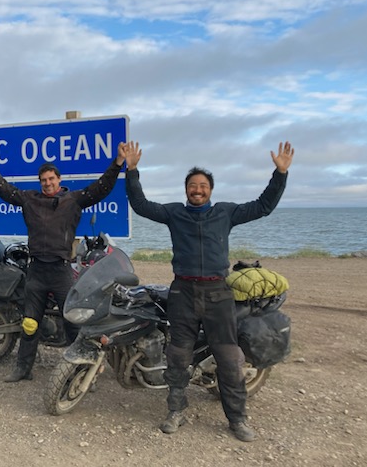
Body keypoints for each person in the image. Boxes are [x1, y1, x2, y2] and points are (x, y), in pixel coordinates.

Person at [121, 140, 295, 442]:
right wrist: (132, 171)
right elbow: (141, 205)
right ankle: (176, 411)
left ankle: (237, 419)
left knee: (228, 358)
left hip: (218, 293)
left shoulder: (225, 212)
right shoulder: (175, 213)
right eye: (192, 186)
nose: (197, 190)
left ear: (210, 190)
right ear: (186, 190)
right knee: (178, 355)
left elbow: (263, 206)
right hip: (183, 293)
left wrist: (279, 174)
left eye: (203, 186)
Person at [0, 143, 125, 382]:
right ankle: (23, 369)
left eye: (51, 179)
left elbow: (101, 188)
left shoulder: (73, 200)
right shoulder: (30, 199)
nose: (47, 183)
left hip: (60, 270)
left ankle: (81, 371)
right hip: (36, 270)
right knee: (29, 323)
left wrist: (117, 163)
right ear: (40, 182)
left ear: (59, 179)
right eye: (43, 180)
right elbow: (4, 189)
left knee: (73, 321)